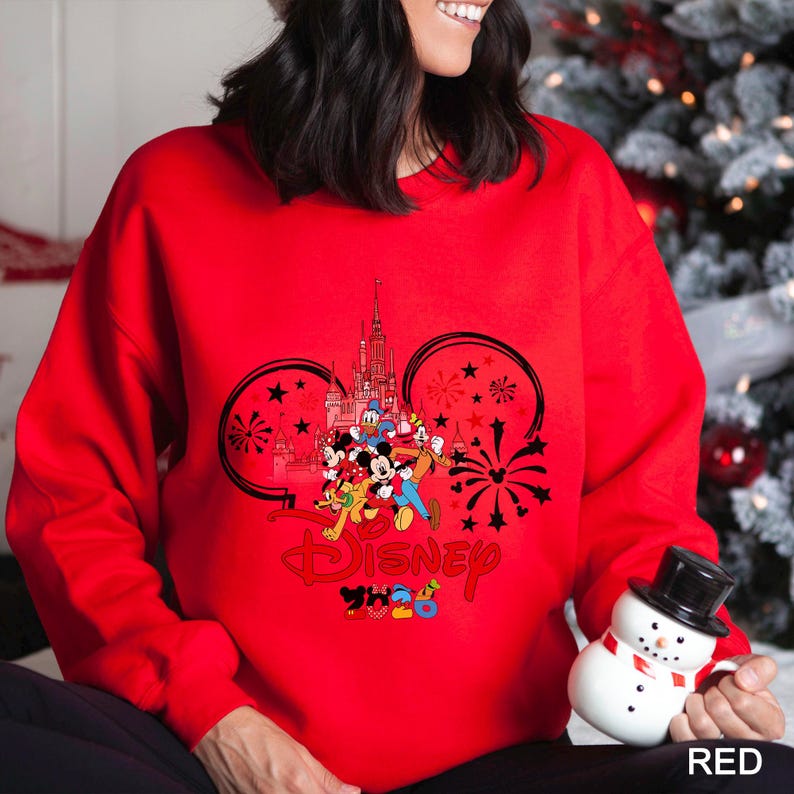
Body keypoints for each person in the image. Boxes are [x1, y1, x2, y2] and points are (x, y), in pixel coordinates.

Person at [3, 0, 792, 792]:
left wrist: (700, 665)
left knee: (758, 774)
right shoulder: (172, 190)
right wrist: (215, 720)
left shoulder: (568, 188)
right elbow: (71, 496)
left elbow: (636, 503)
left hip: (497, 767)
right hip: (225, 760)